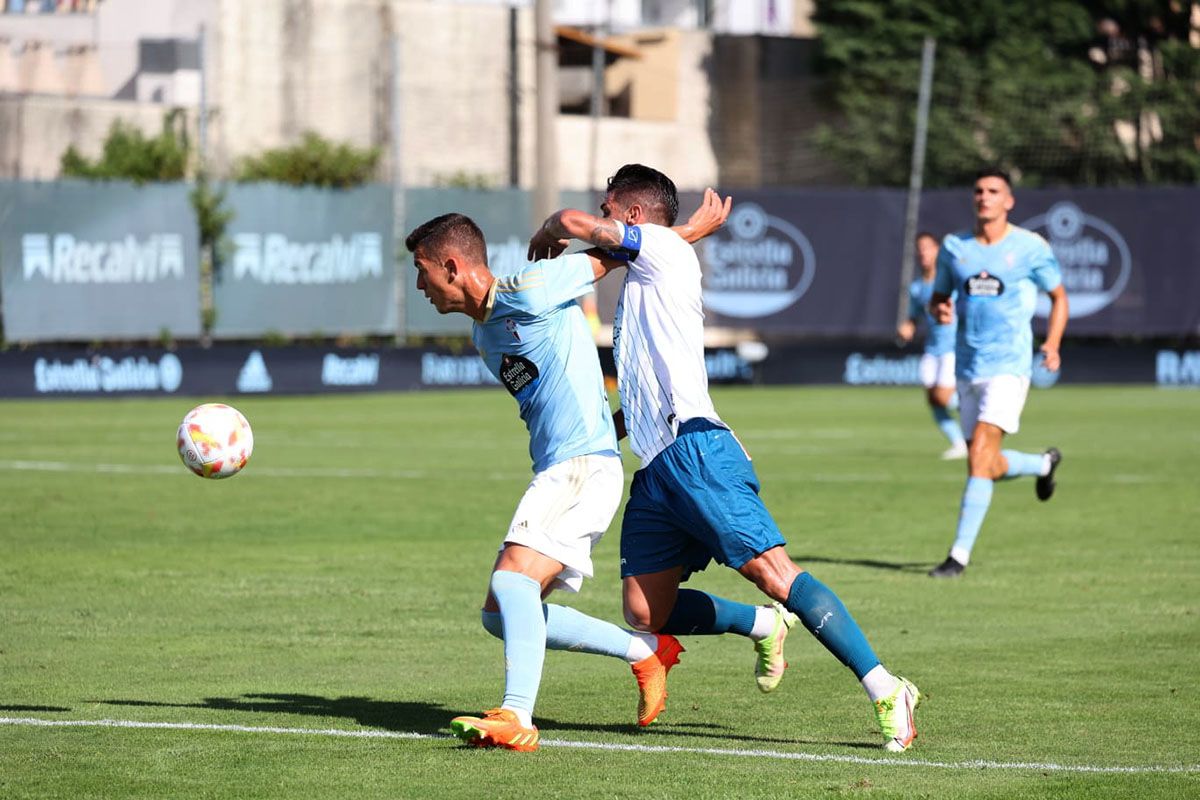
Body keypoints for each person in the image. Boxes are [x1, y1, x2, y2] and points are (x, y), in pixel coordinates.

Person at [527, 164, 921, 753]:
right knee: (644, 610)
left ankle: (887, 688)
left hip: (696, 452)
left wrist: (554, 225)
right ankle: (762, 624)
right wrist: (602, 431)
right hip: (658, 466)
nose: (602, 216)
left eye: (611, 207)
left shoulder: (661, 248)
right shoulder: (649, 267)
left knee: (776, 574)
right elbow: (640, 389)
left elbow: (580, 225)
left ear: (633, 216)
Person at [405, 206, 793, 753]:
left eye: (421, 270)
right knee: (501, 615)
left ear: (450, 265)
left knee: (511, 583)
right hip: (571, 466)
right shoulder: (483, 335)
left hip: (581, 469)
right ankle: (645, 653)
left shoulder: (534, 287)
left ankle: (517, 716)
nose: (418, 285)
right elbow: (555, 394)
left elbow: (619, 252)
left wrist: (688, 234)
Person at [926, 167, 1069, 579]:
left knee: (979, 460)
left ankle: (957, 557)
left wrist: (1053, 344)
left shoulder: (1029, 248)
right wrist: (940, 308)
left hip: (1009, 367)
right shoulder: (955, 248)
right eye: (979, 190)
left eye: (994, 191)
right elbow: (940, 297)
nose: (984, 196)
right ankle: (1042, 465)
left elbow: (1059, 297)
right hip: (968, 367)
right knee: (985, 463)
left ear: (1009, 201)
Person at [898, 231, 968, 460]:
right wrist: (908, 327)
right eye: (920, 249)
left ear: (938, 250)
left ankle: (977, 417)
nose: (923, 253)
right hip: (932, 348)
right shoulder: (917, 288)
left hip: (951, 347)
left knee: (943, 397)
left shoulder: (950, 280)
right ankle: (959, 443)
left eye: (928, 247)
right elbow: (914, 316)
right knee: (933, 400)